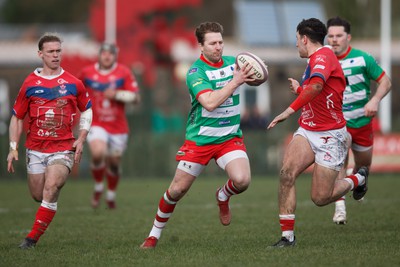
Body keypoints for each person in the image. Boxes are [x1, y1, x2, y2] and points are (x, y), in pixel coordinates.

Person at [140, 21, 255, 249]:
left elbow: (259, 75)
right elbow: (209, 102)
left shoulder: (235, 65)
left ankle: (222, 195)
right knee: (177, 190)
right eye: (212, 43)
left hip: (229, 138)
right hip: (200, 139)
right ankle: (153, 235)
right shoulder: (195, 72)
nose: (218, 47)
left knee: (242, 181)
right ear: (201, 46)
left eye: (221, 42)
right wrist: (235, 82)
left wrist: (259, 73)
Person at [266, 18, 369, 248]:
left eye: (296, 40)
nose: (296, 45)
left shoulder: (323, 56)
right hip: (308, 130)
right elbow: (317, 92)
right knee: (286, 174)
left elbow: (317, 87)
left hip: (331, 135)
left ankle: (358, 178)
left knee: (320, 198)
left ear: (304, 38)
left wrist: (288, 111)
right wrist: (300, 90)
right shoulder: (315, 59)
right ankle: (287, 238)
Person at [7, 32, 93, 249]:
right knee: (38, 195)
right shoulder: (29, 84)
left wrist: (81, 138)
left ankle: (31, 239)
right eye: (51, 52)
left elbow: (87, 111)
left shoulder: (74, 83)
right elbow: (17, 117)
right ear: (40, 54)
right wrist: (13, 147)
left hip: (63, 147)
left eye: (58, 51)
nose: (55, 55)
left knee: (51, 186)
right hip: (35, 148)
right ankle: (48, 203)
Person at [326, 16, 392, 225]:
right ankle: (340, 208)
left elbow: (386, 82)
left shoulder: (363, 59)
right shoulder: (322, 60)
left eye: (339, 36)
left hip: (362, 122)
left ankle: (359, 181)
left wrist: (375, 100)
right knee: (339, 161)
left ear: (348, 37)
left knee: (363, 166)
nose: (334, 40)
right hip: (339, 123)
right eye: (331, 36)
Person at [79, 43, 140, 209]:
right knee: (98, 153)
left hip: (118, 126)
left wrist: (118, 94)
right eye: (104, 53)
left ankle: (111, 195)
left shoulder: (124, 72)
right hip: (97, 122)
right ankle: (99, 185)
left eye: (110, 54)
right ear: (99, 55)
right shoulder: (87, 73)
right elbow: (76, 92)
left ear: (115, 56)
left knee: (114, 162)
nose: (107, 56)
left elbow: (136, 98)